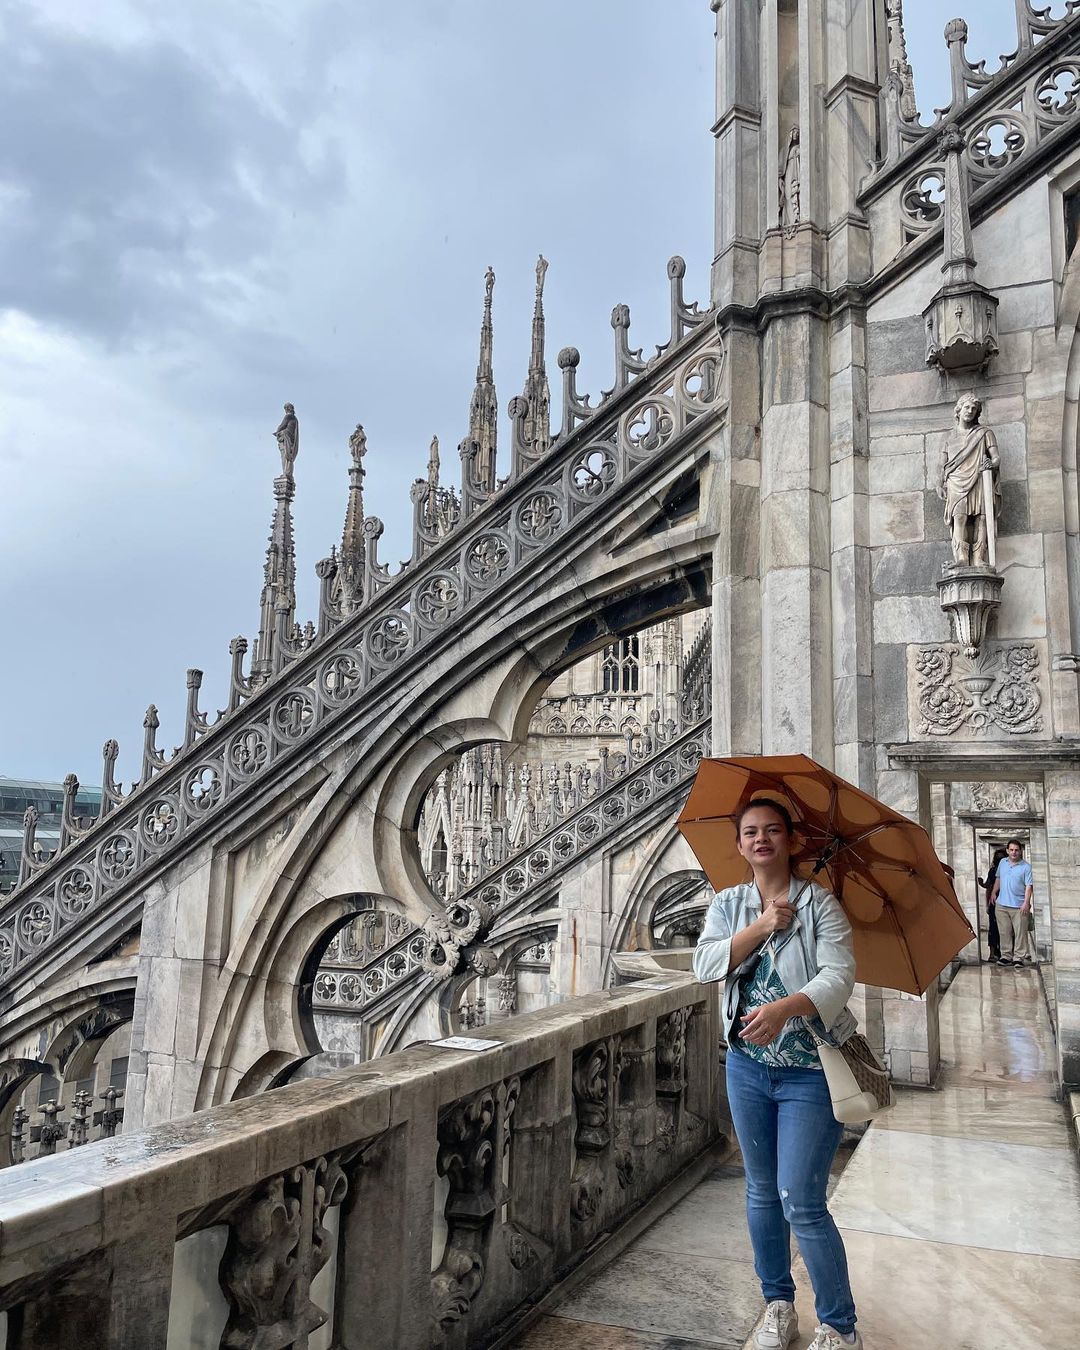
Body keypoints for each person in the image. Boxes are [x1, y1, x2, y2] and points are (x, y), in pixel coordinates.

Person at [693, 800, 862, 1350]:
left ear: (791, 840)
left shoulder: (821, 906)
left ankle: (839, 1326)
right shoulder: (729, 904)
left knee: (802, 1199)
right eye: (750, 832)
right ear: (740, 845)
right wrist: (763, 924)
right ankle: (778, 1305)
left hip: (810, 1072)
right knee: (761, 1190)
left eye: (772, 830)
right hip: (746, 1068)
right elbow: (705, 964)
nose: (761, 839)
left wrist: (785, 1008)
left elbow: (839, 976)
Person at [989, 838, 1034, 966]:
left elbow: (1029, 886)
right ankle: (1006, 956)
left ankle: (1018, 958)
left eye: (1017, 850)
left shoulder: (1026, 867)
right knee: (1004, 931)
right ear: (1007, 851)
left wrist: (1026, 902)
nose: (1014, 852)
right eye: (1011, 850)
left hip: (1019, 906)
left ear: (1020, 852)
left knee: (1020, 933)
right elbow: (998, 878)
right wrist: (993, 892)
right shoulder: (1002, 862)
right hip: (1002, 904)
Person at [981, 847, 1006, 963]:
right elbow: (988, 887)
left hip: (1003, 902)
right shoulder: (994, 871)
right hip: (996, 902)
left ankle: (997, 954)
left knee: (1000, 928)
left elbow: (987, 886)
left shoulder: (1004, 869)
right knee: (996, 928)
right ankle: (995, 954)